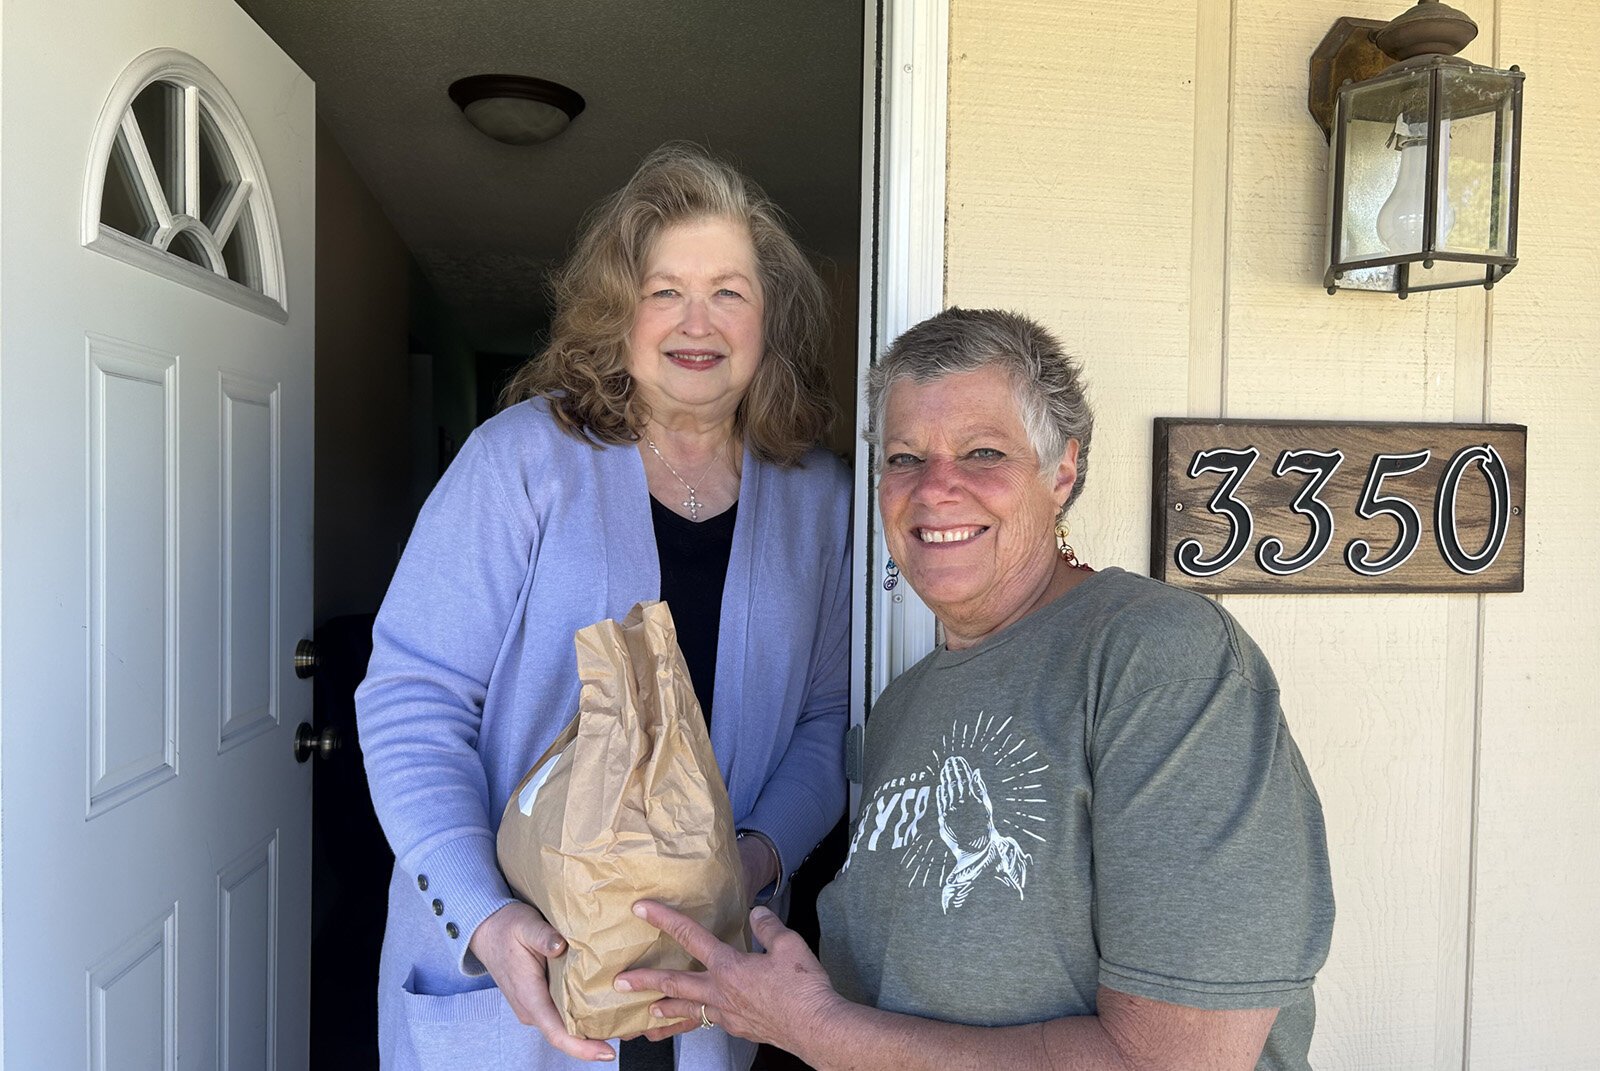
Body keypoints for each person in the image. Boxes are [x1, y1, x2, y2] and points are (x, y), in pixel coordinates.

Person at [616, 308, 1335, 1071]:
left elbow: (1176, 1061)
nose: (935, 489)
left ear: (1061, 472)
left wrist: (820, 1030)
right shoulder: (900, 708)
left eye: (983, 452)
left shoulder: (1162, 661)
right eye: (904, 459)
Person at [354, 143, 852, 1070]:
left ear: (770, 316)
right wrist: (486, 915)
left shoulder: (820, 500)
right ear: (618, 312)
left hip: (711, 980)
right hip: (520, 974)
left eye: (730, 291)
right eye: (664, 290)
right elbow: (411, 699)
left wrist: (748, 862)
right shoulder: (520, 463)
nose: (695, 321)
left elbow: (827, 724)